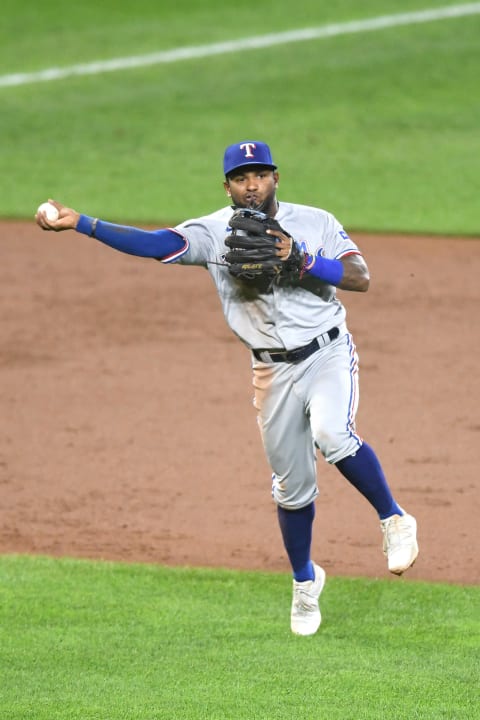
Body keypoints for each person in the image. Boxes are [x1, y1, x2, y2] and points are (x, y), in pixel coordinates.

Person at [35, 140, 419, 636]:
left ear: (276, 177)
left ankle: (393, 518)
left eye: (259, 174)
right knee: (292, 487)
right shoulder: (212, 232)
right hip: (271, 372)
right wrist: (83, 223)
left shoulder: (316, 222)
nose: (251, 185)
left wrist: (303, 260)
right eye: (241, 178)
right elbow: (156, 245)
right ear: (228, 186)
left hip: (326, 353)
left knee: (333, 434)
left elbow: (360, 277)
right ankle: (306, 581)